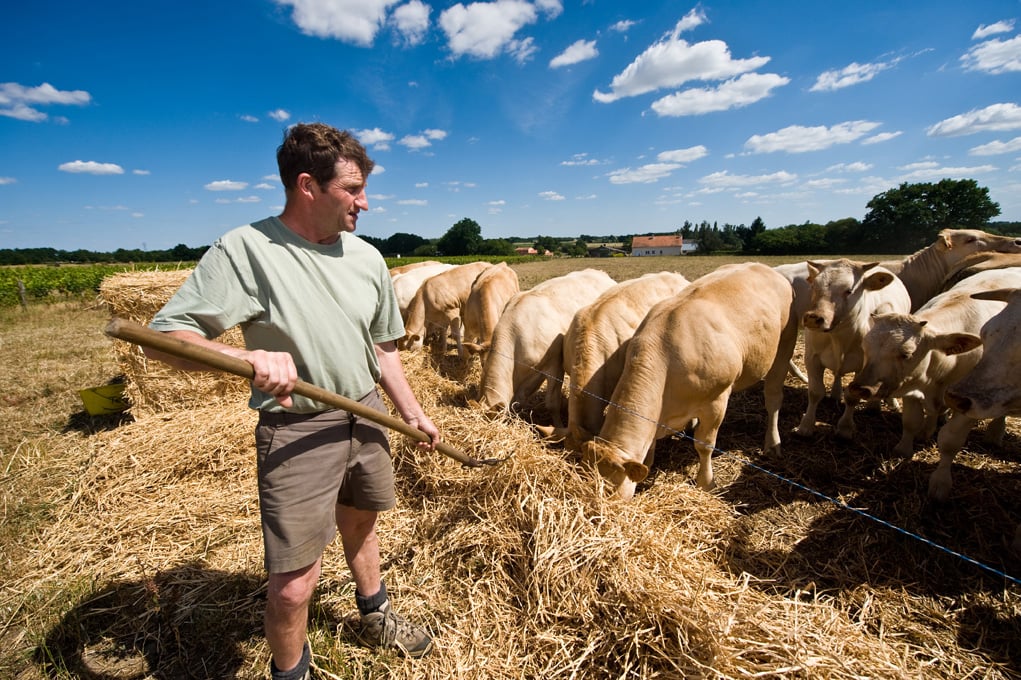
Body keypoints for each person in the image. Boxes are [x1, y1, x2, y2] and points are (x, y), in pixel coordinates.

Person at [144, 122, 441, 679]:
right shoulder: (248, 250)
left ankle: (375, 615)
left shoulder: (367, 259)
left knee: (361, 524)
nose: (365, 202)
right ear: (308, 185)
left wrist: (412, 412)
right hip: (298, 428)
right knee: (291, 584)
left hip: (367, 412)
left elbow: (383, 350)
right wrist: (247, 359)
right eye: (352, 189)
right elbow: (167, 338)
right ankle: (292, 672)